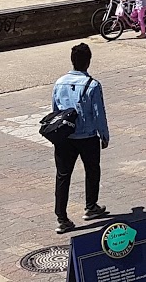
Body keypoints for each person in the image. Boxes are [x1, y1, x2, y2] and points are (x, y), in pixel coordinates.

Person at [51, 43, 109, 234]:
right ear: (89, 61)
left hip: (65, 136)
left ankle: (61, 217)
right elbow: (99, 113)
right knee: (92, 170)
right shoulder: (92, 85)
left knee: (63, 175)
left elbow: (55, 111)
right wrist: (104, 135)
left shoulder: (59, 83)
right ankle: (91, 206)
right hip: (87, 136)